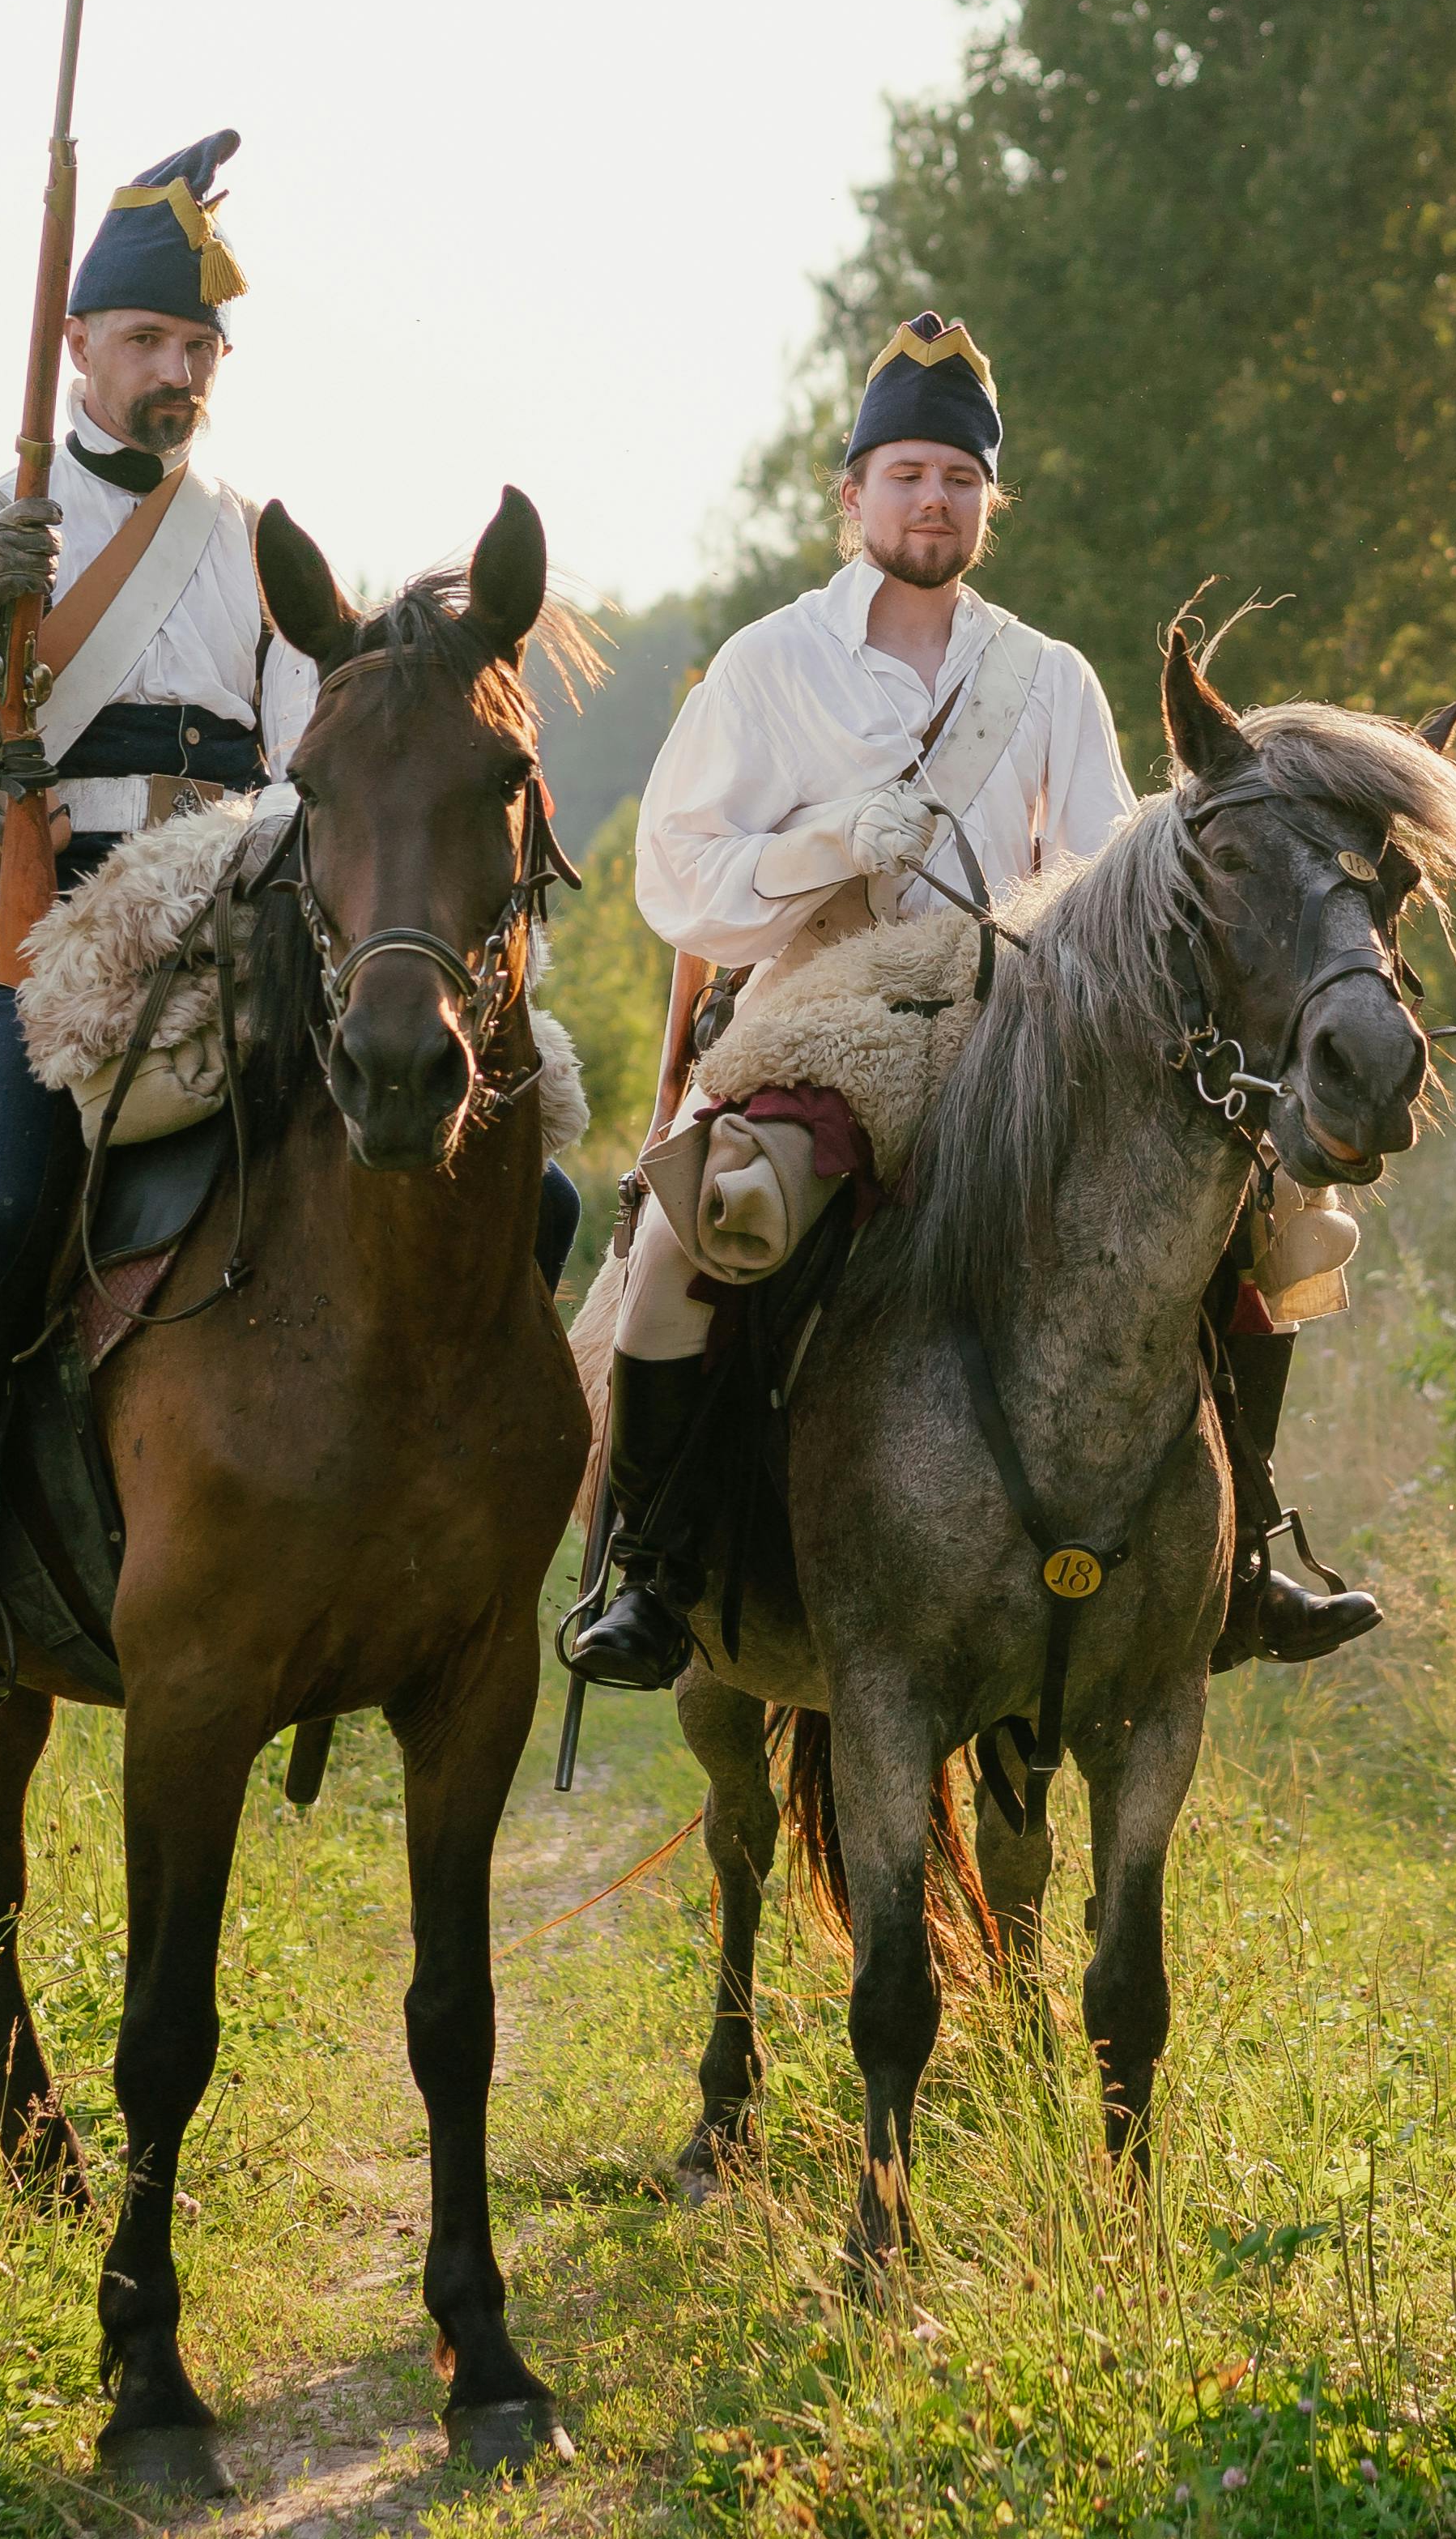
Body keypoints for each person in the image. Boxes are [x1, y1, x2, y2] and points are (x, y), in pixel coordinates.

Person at [556, 310, 1386, 1693]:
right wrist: (823, 849)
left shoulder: (1046, 674)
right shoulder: (770, 666)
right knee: (694, 1235)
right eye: (905, 475)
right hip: (824, 1018)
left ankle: (1238, 1563)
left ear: (988, 504)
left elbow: (1129, 871)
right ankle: (657, 1562)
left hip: (1025, 1021)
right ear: (853, 497)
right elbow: (676, 879)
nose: (931, 500)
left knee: (1267, 1217)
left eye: (957, 478)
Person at [0, 130, 321, 1703]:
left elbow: (314, 759)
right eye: (148, 341)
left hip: (236, 930)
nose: (177, 368)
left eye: (199, 345)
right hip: (47, 941)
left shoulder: (256, 540)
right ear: (79, 349)